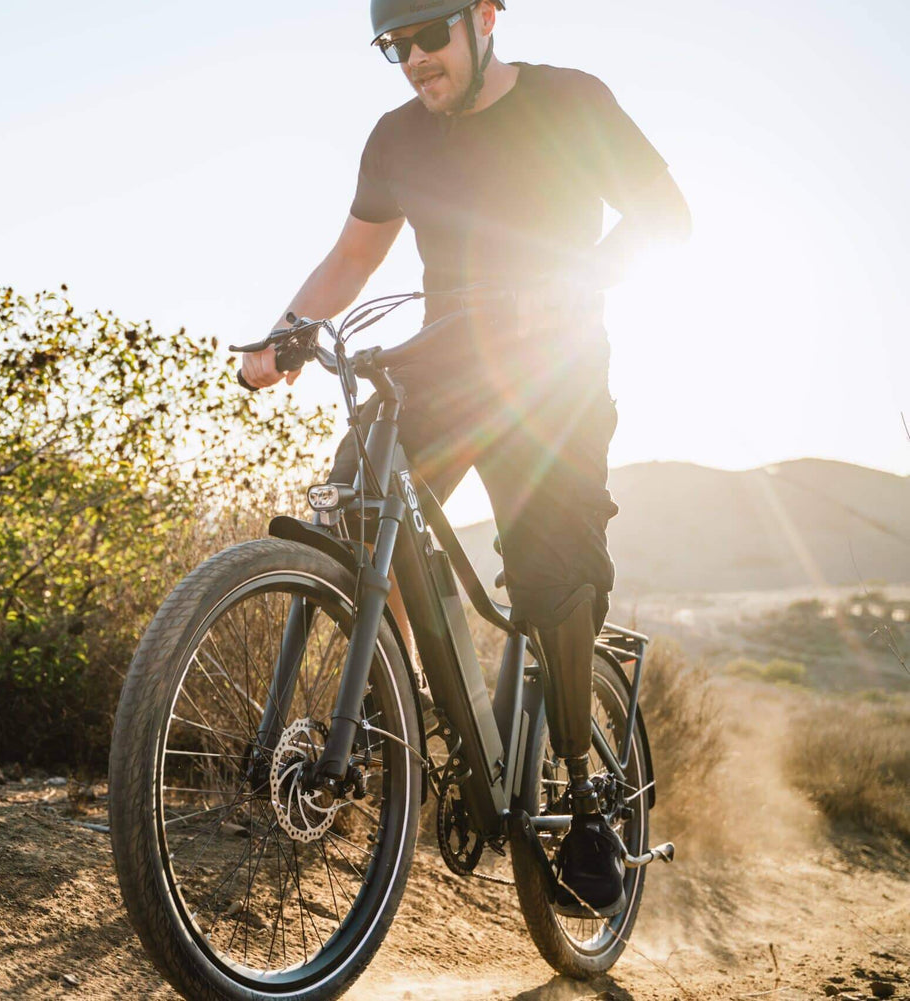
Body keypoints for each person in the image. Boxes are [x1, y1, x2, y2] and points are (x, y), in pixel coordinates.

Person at [239, 0, 690, 918]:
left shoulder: (571, 104)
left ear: (486, 16)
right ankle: (395, 717)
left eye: (428, 36)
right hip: (441, 362)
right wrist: (284, 336)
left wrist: (576, 279)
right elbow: (354, 255)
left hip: (551, 372)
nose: (412, 59)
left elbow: (666, 220)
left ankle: (581, 803)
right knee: (354, 503)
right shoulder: (396, 139)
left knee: (552, 576)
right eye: (392, 46)